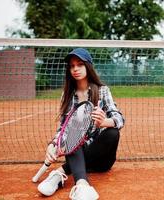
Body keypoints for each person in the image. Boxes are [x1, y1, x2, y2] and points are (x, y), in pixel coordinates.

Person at [37, 48, 125, 200]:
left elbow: (119, 118)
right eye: (72, 66)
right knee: (72, 135)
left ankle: (61, 172)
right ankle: (83, 185)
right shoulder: (68, 95)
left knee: (112, 132)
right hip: (78, 154)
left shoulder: (103, 91)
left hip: (101, 160)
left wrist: (104, 122)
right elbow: (63, 128)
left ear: (88, 66)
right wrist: (53, 144)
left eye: (79, 64)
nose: (75, 69)